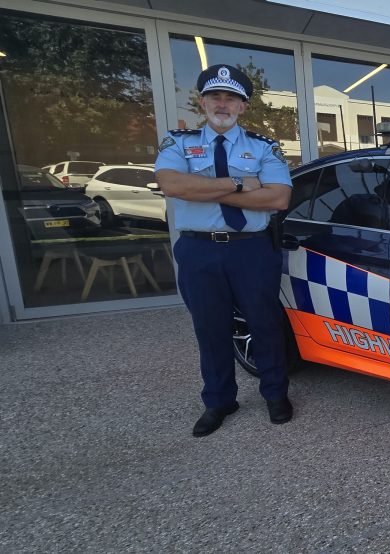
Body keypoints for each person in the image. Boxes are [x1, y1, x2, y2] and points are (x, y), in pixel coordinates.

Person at [154, 64, 294, 437]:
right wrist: (240, 184)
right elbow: (172, 185)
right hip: (199, 250)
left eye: (231, 97)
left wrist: (201, 186)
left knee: (264, 324)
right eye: (215, 96)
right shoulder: (177, 143)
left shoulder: (264, 147)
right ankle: (219, 401)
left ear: (242, 106)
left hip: (252, 250)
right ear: (202, 102)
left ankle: (275, 395)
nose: (222, 103)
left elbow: (278, 197)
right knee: (210, 328)